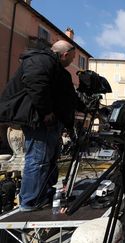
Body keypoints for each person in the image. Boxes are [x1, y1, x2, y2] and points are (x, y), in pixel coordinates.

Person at [0, 40, 84, 212]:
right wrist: (46, 112)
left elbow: (66, 97)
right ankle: (30, 202)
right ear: (65, 54)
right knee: (38, 160)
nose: (71, 62)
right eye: (72, 58)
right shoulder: (41, 60)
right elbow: (35, 83)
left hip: (49, 122)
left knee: (49, 160)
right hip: (40, 120)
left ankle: (45, 195)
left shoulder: (56, 68)